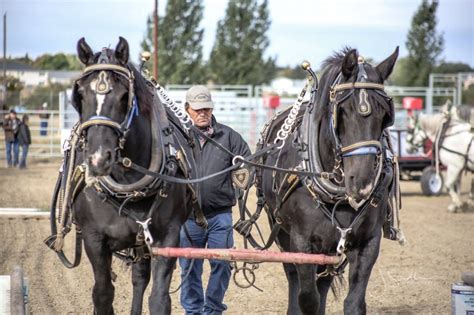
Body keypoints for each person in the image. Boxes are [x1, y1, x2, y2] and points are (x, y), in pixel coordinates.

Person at [179, 85, 251, 315]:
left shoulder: (229, 137)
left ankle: (211, 309)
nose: (203, 113)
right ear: (187, 109)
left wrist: (241, 183)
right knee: (189, 268)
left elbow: (248, 165)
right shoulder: (178, 138)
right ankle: (193, 311)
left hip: (220, 215)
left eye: (207, 109)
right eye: (198, 109)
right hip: (188, 217)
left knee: (222, 264)